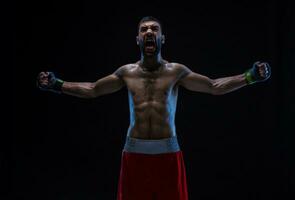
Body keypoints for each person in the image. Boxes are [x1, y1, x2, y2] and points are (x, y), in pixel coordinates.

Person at [37, 16, 271, 200]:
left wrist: (249, 76)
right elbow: (93, 89)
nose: (149, 32)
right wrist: (57, 84)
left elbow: (213, 86)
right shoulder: (126, 72)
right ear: (138, 39)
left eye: (154, 29)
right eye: (144, 29)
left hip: (168, 153)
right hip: (134, 153)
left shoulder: (176, 71)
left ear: (162, 38)